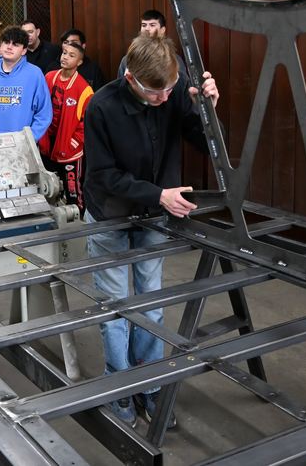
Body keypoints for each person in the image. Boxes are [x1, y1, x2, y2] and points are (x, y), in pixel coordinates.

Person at [84, 34, 218, 428]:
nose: (163, 99)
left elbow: (203, 141)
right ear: (130, 78)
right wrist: (158, 194)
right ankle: (121, 386)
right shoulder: (101, 107)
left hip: (155, 212)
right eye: (154, 92)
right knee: (115, 306)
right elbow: (104, 175)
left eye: (169, 90)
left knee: (152, 301)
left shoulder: (172, 91)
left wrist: (207, 108)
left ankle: (150, 382)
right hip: (110, 211)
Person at [39, 41, 93, 211]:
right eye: (64, 53)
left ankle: (76, 224)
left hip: (69, 149)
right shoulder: (49, 77)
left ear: (79, 62)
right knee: (48, 187)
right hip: (48, 143)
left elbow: (87, 123)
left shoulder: (84, 89)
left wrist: (74, 143)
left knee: (73, 191)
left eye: (72, 55)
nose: (65, 57)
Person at [0, 26, 52, 140]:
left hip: (23, 145)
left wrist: (29, 139)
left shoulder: (34, 74)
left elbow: (44, 113)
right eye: (6, 42)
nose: (9, 47)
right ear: (0, 45)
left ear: (24, 50)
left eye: (15, 44)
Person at [117, 10, 167, 79]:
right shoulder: (127, 59)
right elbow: (121, 86)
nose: (146, 28)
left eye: (152, 25)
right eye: (144, 25)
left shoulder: (171, 59)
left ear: (162, 30)